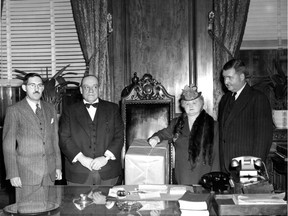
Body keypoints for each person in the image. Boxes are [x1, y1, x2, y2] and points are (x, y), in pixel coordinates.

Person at [59, 75, 124, 185]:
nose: (90, 91)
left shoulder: (113, 108)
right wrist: (82, 159)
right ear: (80, 90)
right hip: (78, 174)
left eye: (94, 87)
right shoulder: (69, 111)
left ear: (99, 88)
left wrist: (105, 158)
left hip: (108, 172)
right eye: (86, 87)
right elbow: (64, 138)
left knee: (108, 203)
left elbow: (119, 136)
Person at [148, 85, 219, 185]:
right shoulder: (177, 124)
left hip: (204, 176)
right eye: (187, 104)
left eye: (194, 103)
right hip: (182, 175)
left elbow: (216, 155)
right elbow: (163, 134)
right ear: (183, 105)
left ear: (202, 103)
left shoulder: (213, 126)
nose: (191, 106)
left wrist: (214, 178)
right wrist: (156, 137)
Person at [2, 73, 62, 190]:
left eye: (39, 85)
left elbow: (55, 140)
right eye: (32, 85)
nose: (36, 89)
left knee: (50, 206)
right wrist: (13, 174)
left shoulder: (50, 109)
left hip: (49, 172)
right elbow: (8, 145)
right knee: (27, 207)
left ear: (43, 88)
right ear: (24, 88)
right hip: (26, 173)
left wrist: (58, 166)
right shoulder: (14, 110)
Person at [218, 59, 273, 173]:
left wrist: (252, 169)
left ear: (242, 77)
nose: (226, 81)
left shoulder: (257, 98)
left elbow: (263, 139)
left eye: (230, 77)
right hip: (226, 167)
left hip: (247, 168)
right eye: (224, 77)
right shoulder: (225, 99)